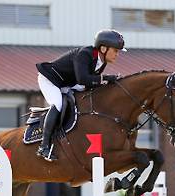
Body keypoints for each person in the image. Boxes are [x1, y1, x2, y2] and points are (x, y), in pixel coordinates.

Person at [35, 29, 126, 161]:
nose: (117, 54)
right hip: (50, 80)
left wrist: (106, 84)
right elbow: (83, 79)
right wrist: (104, 78)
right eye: (116, 50)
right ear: (104, 48)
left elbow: (89, 84)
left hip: (68, 83)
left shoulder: (101, 61)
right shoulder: (85, 54)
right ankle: (44, 146)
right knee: (58, 104)